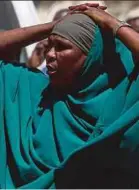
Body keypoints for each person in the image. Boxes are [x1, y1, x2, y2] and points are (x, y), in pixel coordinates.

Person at [0, 2, 139, 189]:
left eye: (61, 47)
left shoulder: (124, 101)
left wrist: (113, 24)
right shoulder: (32, 91)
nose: (49, 54)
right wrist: (53, 27)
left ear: (91, 57)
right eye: (49, 46)